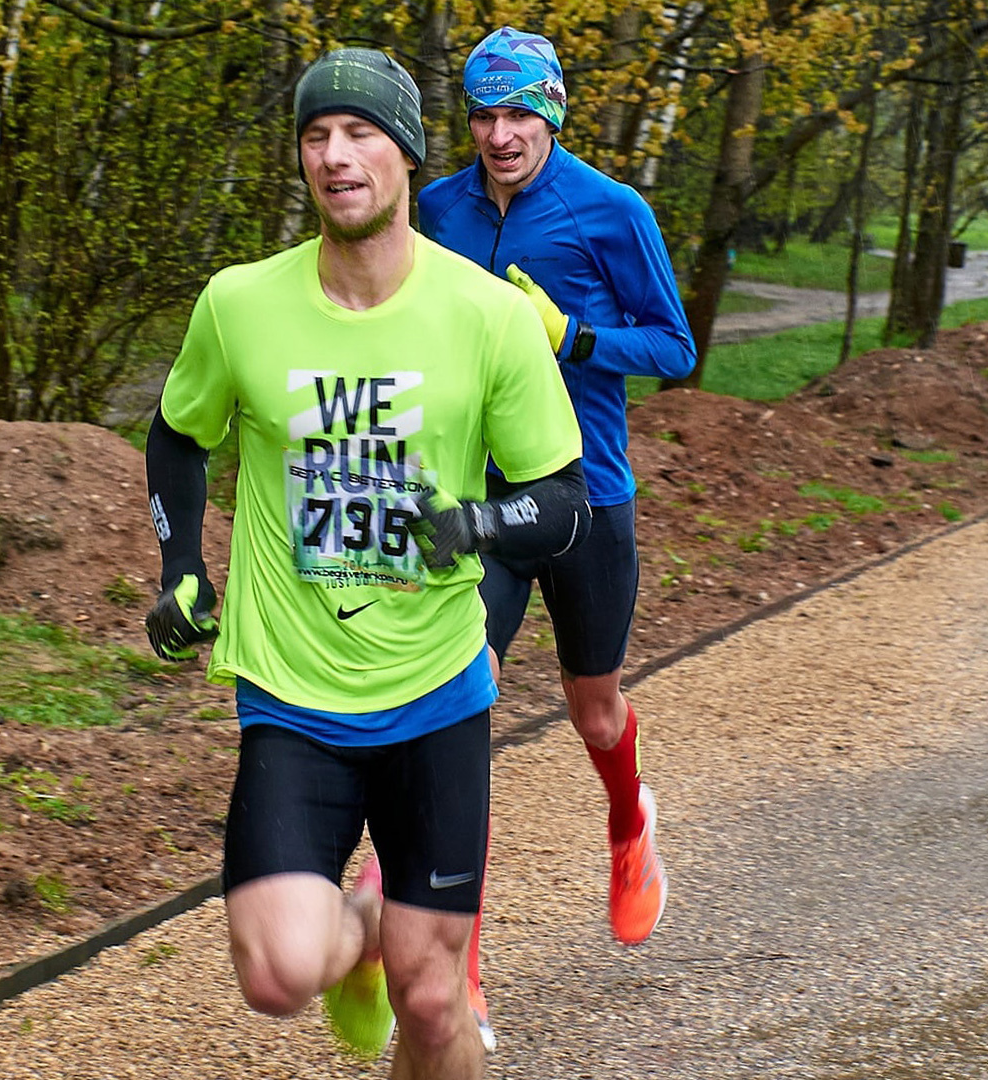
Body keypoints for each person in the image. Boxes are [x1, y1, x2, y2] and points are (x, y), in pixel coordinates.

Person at [143, 48, 589, 1079]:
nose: (337, 157)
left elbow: (561, 501)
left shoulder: (486, 317)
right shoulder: (240, 304)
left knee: (434, 1002)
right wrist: (180, 565)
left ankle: (394, 949)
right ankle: (359, 933)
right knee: (275, 975)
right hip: (291, 695)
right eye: (315, 136)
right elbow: (176, 435)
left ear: (405, 154)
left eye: (361, 134)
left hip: (435, 695)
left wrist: (467, 527)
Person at [417, 24, 696, 1043]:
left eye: (519, 114)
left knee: (594, 711)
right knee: (452, 724)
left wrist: (568, 336)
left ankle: (630, 825)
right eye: (484, 116)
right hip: (481, 504)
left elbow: (676, 345)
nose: (500, 135)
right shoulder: (435, 208)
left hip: (589, 496)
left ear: (554, 114)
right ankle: (458, 977)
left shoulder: (611, 211)